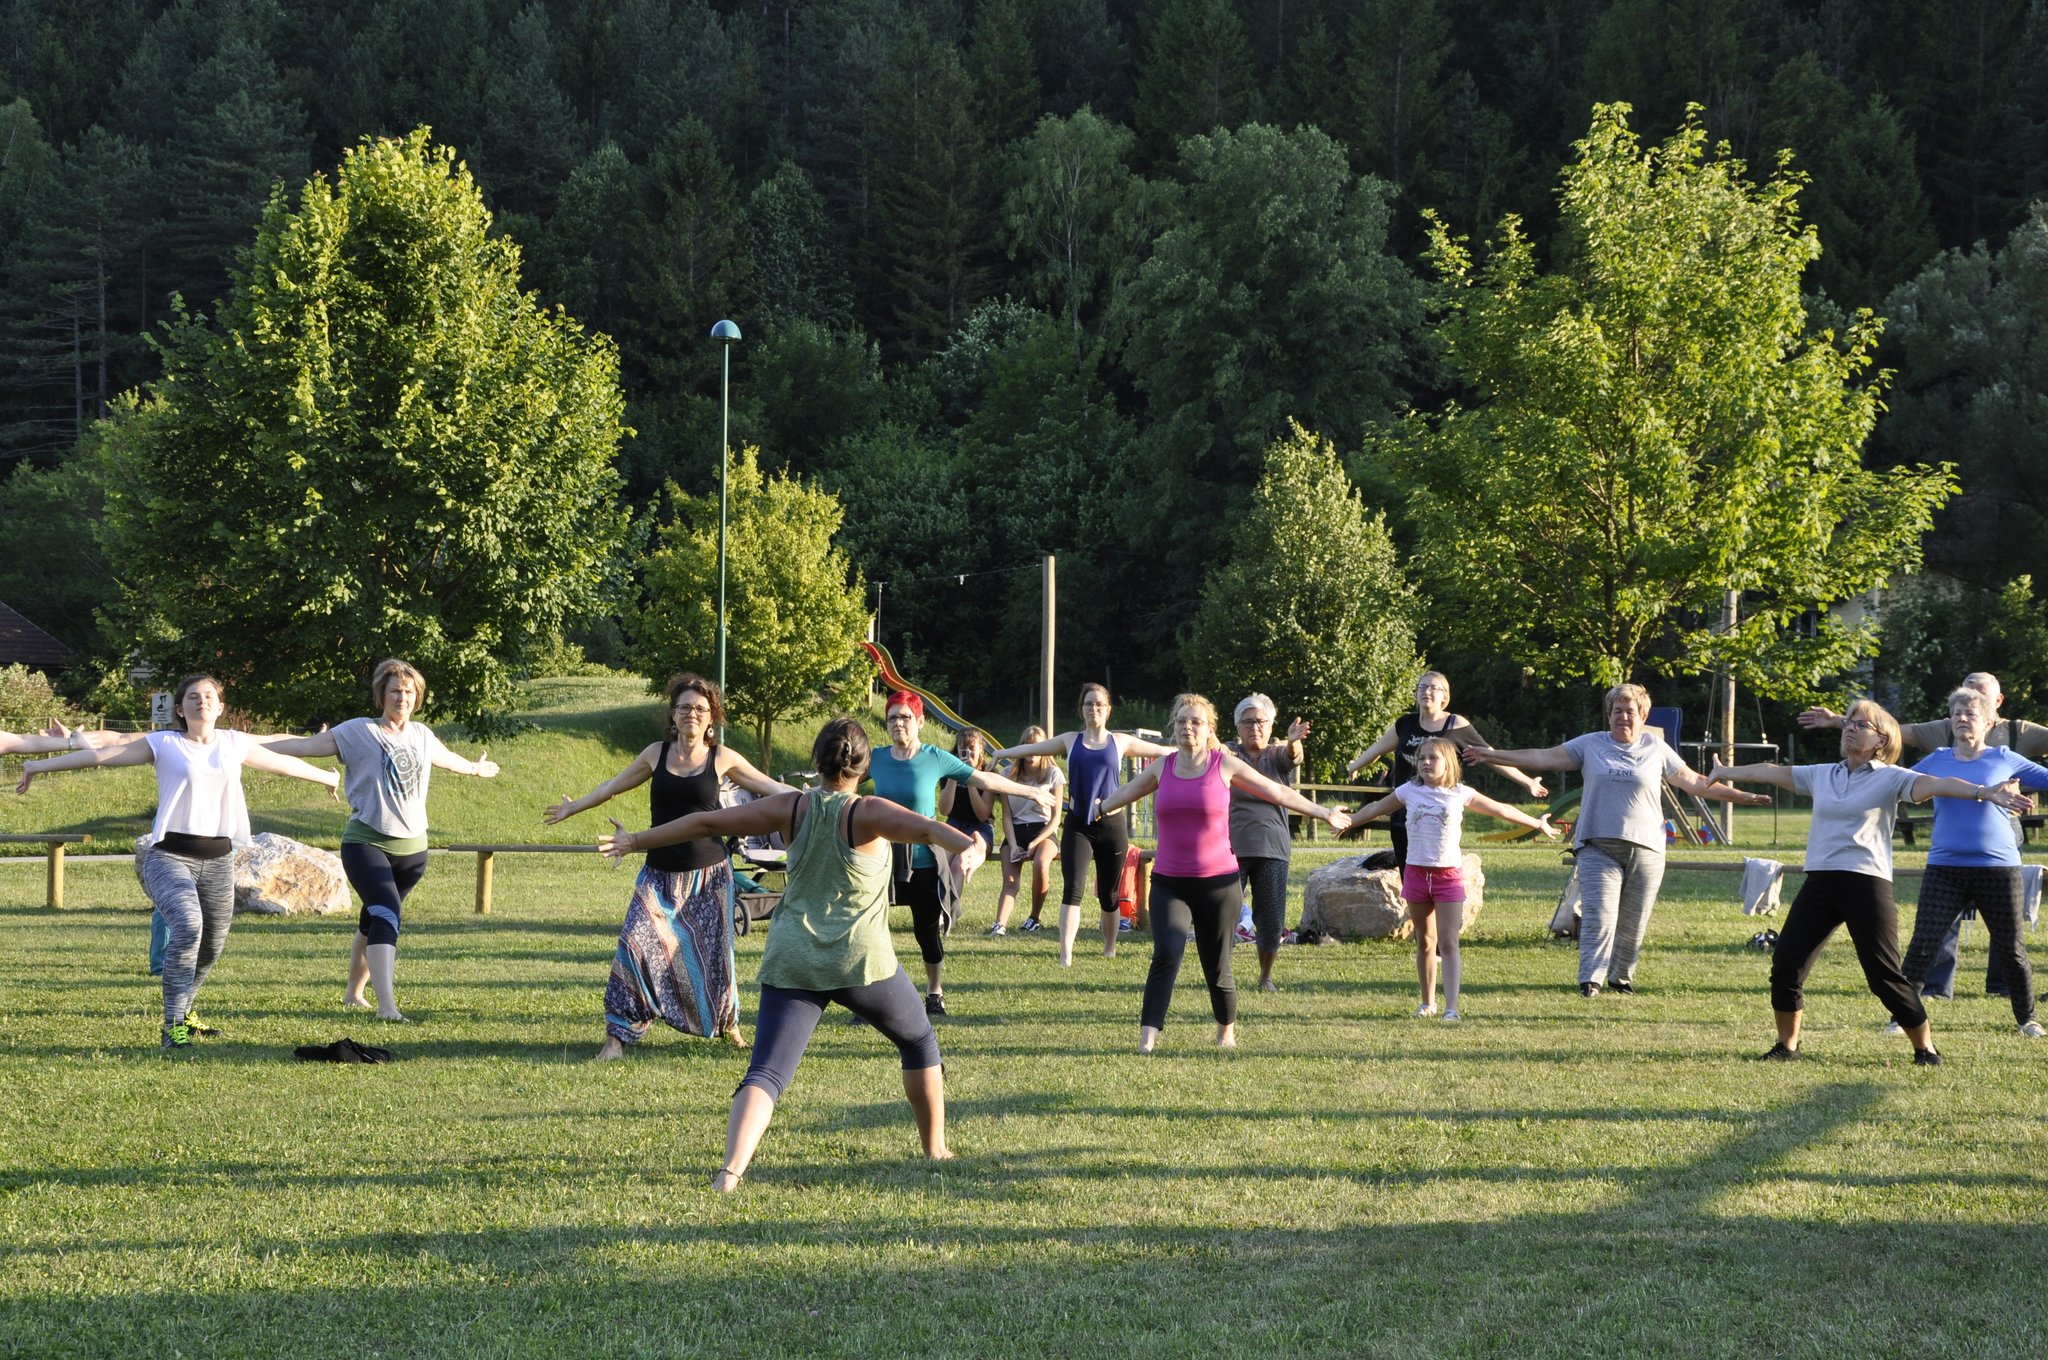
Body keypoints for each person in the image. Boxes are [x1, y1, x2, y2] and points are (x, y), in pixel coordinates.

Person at [599, 717, 979, 1191]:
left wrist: (636, 840)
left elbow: (706, 822)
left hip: (792, 957)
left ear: (816, 762)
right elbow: (927, 830)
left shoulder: (792, 807)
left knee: (766, 1073)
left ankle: (729, 1173)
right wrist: (971, 847)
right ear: (863, 767)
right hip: (860, 962)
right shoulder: (870, 810)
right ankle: (935, 1148)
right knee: (920, 1042)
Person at [17, 674, 339, 1048]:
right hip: (168, 857)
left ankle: (184, 1010)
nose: (201, 701)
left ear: (220, 707)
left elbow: (284, 764)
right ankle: (174, 1027)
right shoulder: (164, 743)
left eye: (208, 696)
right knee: (188, 925)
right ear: (181, 709)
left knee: (212, 945)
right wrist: (38, 767)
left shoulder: (235, 744)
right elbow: (98, 756)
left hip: (218, 860)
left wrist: (326, 777)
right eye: (192, 696)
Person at [1710, 699, 2034, 1064]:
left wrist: (1986, 792)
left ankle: (1924, 1048)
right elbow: (1773, 771)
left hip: (1867, 884)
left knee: (1883, 976)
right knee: (1786, 964)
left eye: (1860, 725)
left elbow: (1938, 783)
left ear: (1881, 740)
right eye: (1849, 722)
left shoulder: (1892, 777)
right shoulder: (1823, 774)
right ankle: (1787, 1046)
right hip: (1820, 883)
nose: (1850, 727)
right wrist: (1727, 771)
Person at [543, 674, 791, 1058]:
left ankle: (729, 1025)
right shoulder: (655, 754)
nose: (692, 714)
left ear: (712, 718)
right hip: (658, 875)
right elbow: (613, 786)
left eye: (700, 709)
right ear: (673, 715)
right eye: (684, 708)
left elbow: (771, 788)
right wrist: (574, 806)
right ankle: (617, 1038)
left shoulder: (722, 758)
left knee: (716, 956)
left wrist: (823, 798)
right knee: (634, 945)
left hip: (709, 878)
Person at [1467, 683, 1767, 996]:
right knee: (1600, 914)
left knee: (1634, 921)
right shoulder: (1590, 744)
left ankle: (1620, 979)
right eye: (1617, 711)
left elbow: (1696, 783)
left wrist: (1742, 796)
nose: (1623, 717)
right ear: (1608, 715)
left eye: (1630, 711)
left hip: (1647, 847)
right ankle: (1591, 981)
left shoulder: (1656, 749)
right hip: (1599, 846)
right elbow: (1541, 757)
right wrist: (1491, 755)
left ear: (1643, 715)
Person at [1098, 693, 1353, 1054]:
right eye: (1182, 721)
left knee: (1216, 964)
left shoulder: (1225, 765)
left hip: (1218, 884)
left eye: (1196, 722)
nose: (1188, 727)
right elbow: (1126, 792)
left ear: (1210, 730)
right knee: (1166, 953)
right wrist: (1100, 807)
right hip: (1170, 882)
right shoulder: (1163, 767)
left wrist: (1323, 812)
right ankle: (1148, 1037)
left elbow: (1277, 791)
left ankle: (1226, 1031)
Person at [260, 659, 498, 1021]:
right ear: (380, 696)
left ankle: (353, 994)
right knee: (388, 914)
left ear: (416, 697)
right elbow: (306, 746)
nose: (402, 697)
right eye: (394, 691)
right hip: (366, 842)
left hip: (414, 851)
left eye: (408, 692)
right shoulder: (358, 731)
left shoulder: (421, 735)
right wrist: (247, 749)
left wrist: (478, 768)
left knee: (372, 919)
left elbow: (450, 761)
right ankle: (388, 1007)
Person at [1802, 671, 2045, 1000]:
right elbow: (1893, 744)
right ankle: (1931, 992)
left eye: (1975, 702)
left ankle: (2010, 998)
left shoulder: (2018, 737)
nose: (1964, 711)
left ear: (1994, 708)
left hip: (1998, 854)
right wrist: (1841, 726)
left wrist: (2009, 789)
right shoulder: (1939, 749)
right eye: (1959, 705)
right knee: (1929, 937)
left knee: (2008, 942)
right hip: (1946, 860)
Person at [1347, 737, 1560, 1019]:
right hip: (1416, 873)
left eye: (1432, 758)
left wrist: (1537, 823)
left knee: (1448, 943)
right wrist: (1347, 821)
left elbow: (1501, 809)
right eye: (1421, 758)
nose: (1425, 763)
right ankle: (1427, 1004)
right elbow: (1375, 809)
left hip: (1447, 875)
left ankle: (1451, 1008)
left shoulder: (1461, 793)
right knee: (1424, 941)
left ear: (1449, 762)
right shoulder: (1408, 791)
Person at [869, 691, 1056, 1014]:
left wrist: (1031, 791)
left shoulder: (934, 757)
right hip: (880, 857)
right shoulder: (876, 758)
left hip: (923, 859)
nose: (898, 723)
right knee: (871, 930)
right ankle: (870, 1000)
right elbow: (841, 784)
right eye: (892, 718)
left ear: (920, 722)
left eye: (905, 717)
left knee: (926, 931)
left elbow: (984, 778)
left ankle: (934, 992)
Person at [1892, 687, 2048, 1038]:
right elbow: (1897, 785)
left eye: (1971, 714)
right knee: (1923, 942)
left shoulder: (2005, 757)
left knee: (2012, 948)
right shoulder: (1936, 759)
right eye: (1957, 713)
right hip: (1945, 869)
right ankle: (1901, 1018)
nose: (1962, 719)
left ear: (1989, 721)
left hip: (1998, 869)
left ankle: (2027, 1020)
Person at [992, 684, 1173, 965]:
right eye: (1089, 704)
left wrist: (1197, 747)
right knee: (1072, 891)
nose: (1094, 709)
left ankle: (1109, 949)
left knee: (1109, 894)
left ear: (1108, 710)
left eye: (1099, 704)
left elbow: (1161, 751)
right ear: (1082, 709)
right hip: (1078, 825)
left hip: (1112, 825)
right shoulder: (1069, 740)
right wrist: (1002, 754)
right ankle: (1066, 955)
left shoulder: (1120, 742)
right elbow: (1034, 747)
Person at [1344, 671, 1547, 867]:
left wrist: (1527, 781)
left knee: (1437, 870)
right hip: (1403, 812)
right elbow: (1377, 749)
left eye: (1434, 687)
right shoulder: (1405, 723)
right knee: (1411, 879)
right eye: (1422, 687)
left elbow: (1490, 755)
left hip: (1438, 814)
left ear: (1445, 696)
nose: (1427, 691)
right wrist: (1355, 765)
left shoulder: (1455, 724)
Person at [1225, 694, 1310, 992]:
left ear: (1271, 725)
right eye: (1247, 722)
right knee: (1224, 913)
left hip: (1272, 848)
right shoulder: (1229, 754)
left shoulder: (1276, 754)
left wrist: (1293, 741)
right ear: (1237, 727)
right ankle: (1222, 975)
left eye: (1261, 721)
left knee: (1272, 920)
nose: (1254, 727)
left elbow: (1293, 756)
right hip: (1229, 848)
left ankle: (1265, 977)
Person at [989, 725, 1064, 937]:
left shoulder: (1053, 774)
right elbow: (1006, 815)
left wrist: (1034, 843)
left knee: (1041, 863)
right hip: (1016, 830)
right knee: (1010, 881)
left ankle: (1034, 917)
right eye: (1026, 745)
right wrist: (1012, 844)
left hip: (1044, 830)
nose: (1031, 751)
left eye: (1037, 746)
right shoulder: (1007, 774)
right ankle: (999, 925)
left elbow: (1056, 818)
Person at [937, 728, 997, 926]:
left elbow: (983, 813)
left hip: (980, 828)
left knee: (958, 864)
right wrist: (956, 774)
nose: (967, 753)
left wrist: (971, 777)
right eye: (962, 749)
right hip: (954, 824)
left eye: (972, 748)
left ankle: (949, 914)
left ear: (981, 750)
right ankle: (936, 909)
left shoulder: (989, 773)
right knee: (940, 860)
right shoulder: (948, 772)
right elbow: (945, 810)